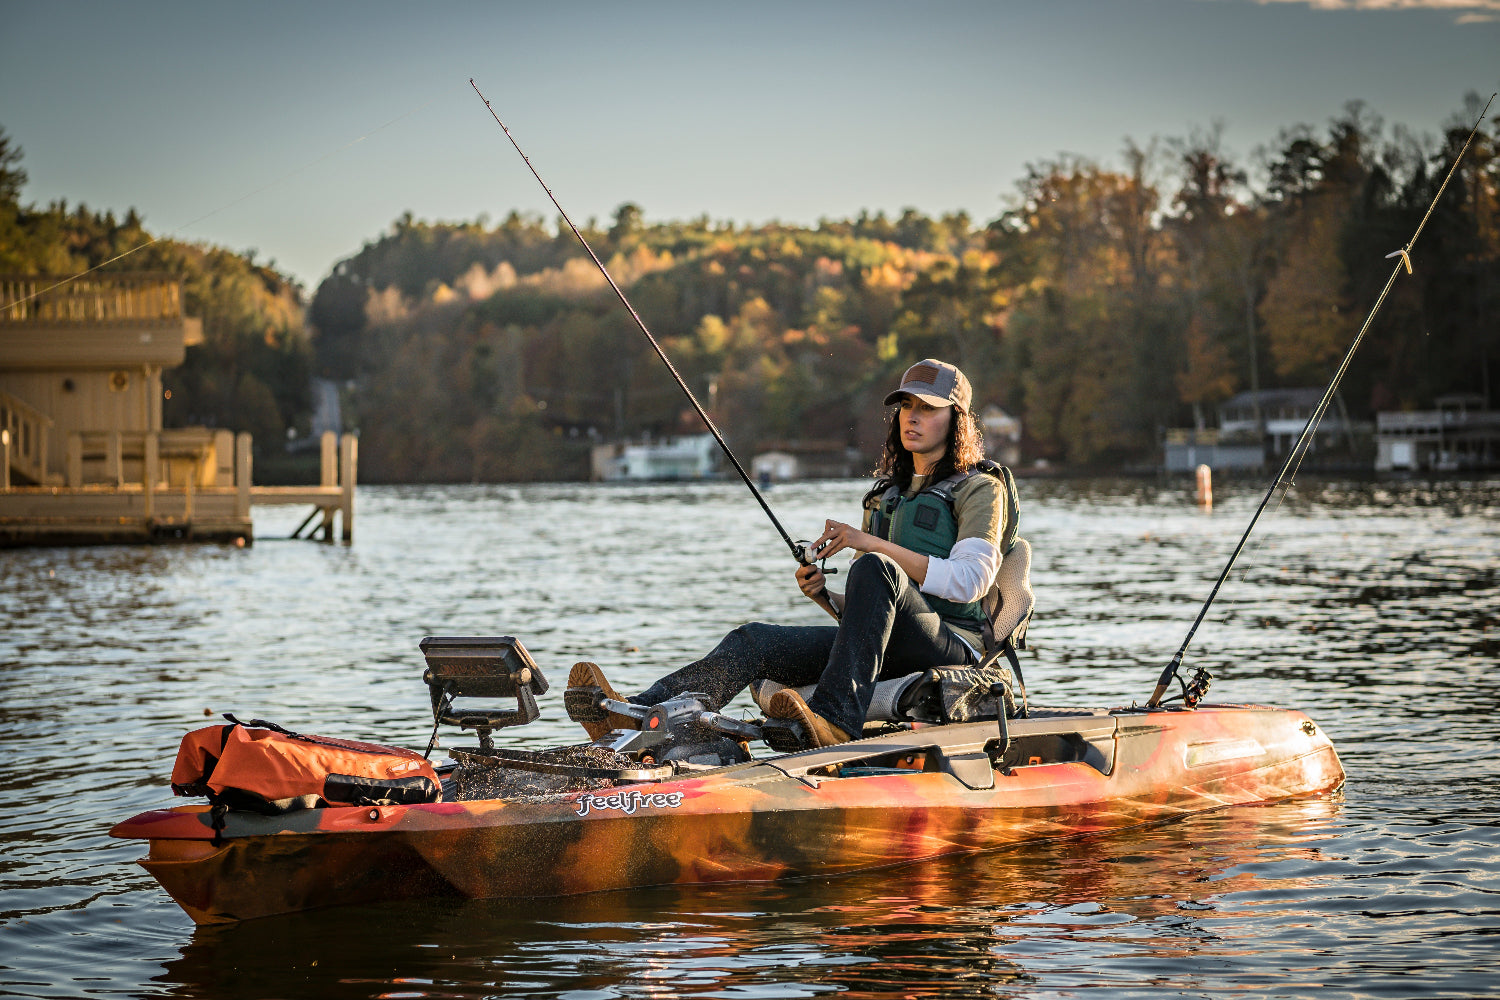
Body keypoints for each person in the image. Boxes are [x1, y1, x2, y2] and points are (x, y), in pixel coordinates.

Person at [566, 358, 1010, 751]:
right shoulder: (885, 497)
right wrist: (825, 597)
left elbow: (970, 582)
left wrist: (871, 545)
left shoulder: (979, 490)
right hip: (890, 645)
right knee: (755, 641)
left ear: (957, 421)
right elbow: (865, 618)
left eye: (928, 409)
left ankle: (835, 721)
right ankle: (639, 713)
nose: (912, 418)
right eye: (907, 407)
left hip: (951, 648)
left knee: (875, 566)